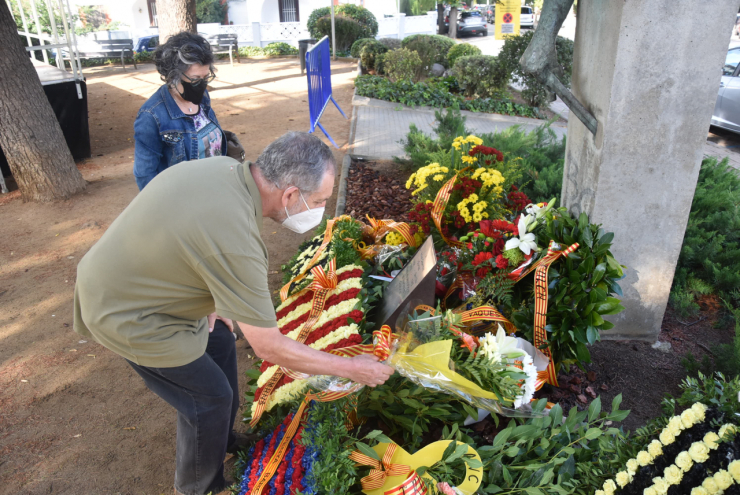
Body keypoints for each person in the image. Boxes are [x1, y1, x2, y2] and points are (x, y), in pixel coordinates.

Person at [73, 132, 394, 495]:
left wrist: (210, 301)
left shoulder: (226, 169)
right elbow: (270, 348)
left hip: (135, 281)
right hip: (126, 310)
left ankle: (222, 438)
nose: (320, 212)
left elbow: (189, 237)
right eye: (319, 201)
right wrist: (351, 367)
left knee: (221, 339)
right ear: (290, 195)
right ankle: (198, 486)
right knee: (208, 397)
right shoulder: (238, 239)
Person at [133, 31, 245, 191]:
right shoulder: (151, 116)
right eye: (195, 79)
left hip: (216, 191)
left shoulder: (203, 97)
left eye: (206, 77)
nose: (202, 85)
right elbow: (145, 175)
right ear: (173, 75)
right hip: (184, 200)